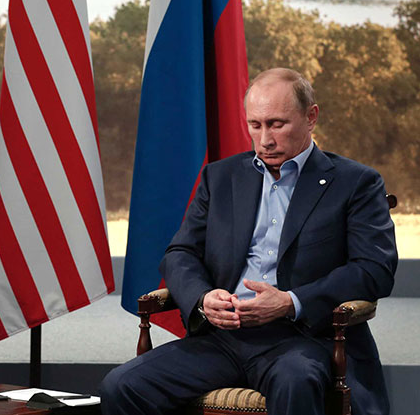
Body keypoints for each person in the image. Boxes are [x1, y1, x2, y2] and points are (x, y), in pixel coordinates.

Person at [100, 68, 398, 415]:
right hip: (222, 339)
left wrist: (290, 301)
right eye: (254, 125)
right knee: (122, 386)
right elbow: (180, 252)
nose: (264, 140)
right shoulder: (221, 177)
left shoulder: (355, 182)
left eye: (277, 124)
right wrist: (202, 297)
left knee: (296, 381)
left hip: (304, 340)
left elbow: (375, 270)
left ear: (311, 116)